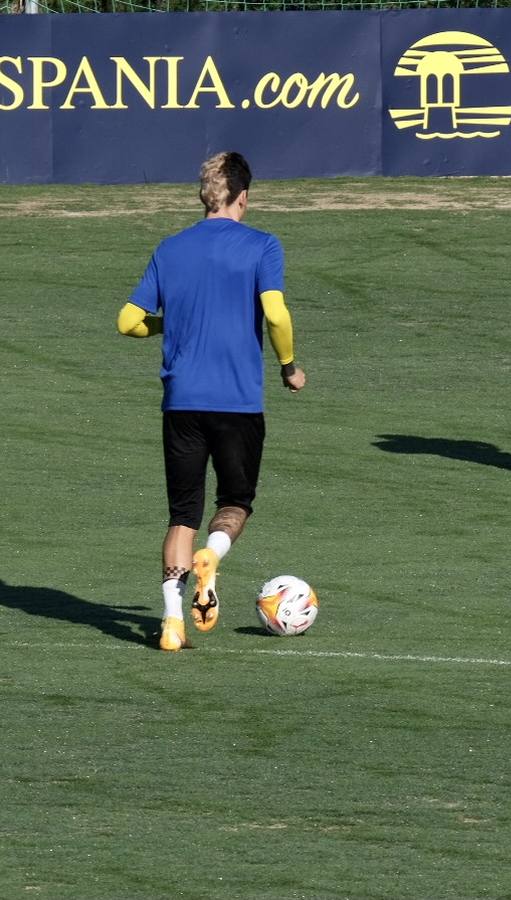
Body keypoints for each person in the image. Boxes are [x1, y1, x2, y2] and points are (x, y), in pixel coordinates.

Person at [118, 151, 306, 652]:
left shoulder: (170, 248)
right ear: (243, 197)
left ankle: (173, 621)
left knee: (182, 514)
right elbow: (276, 314)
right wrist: (289, 366)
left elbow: (127, 321)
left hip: (181, 403)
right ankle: (214, 556)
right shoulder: (262, 245)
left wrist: (168, 323)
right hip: (237, 402)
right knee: (235, 503)